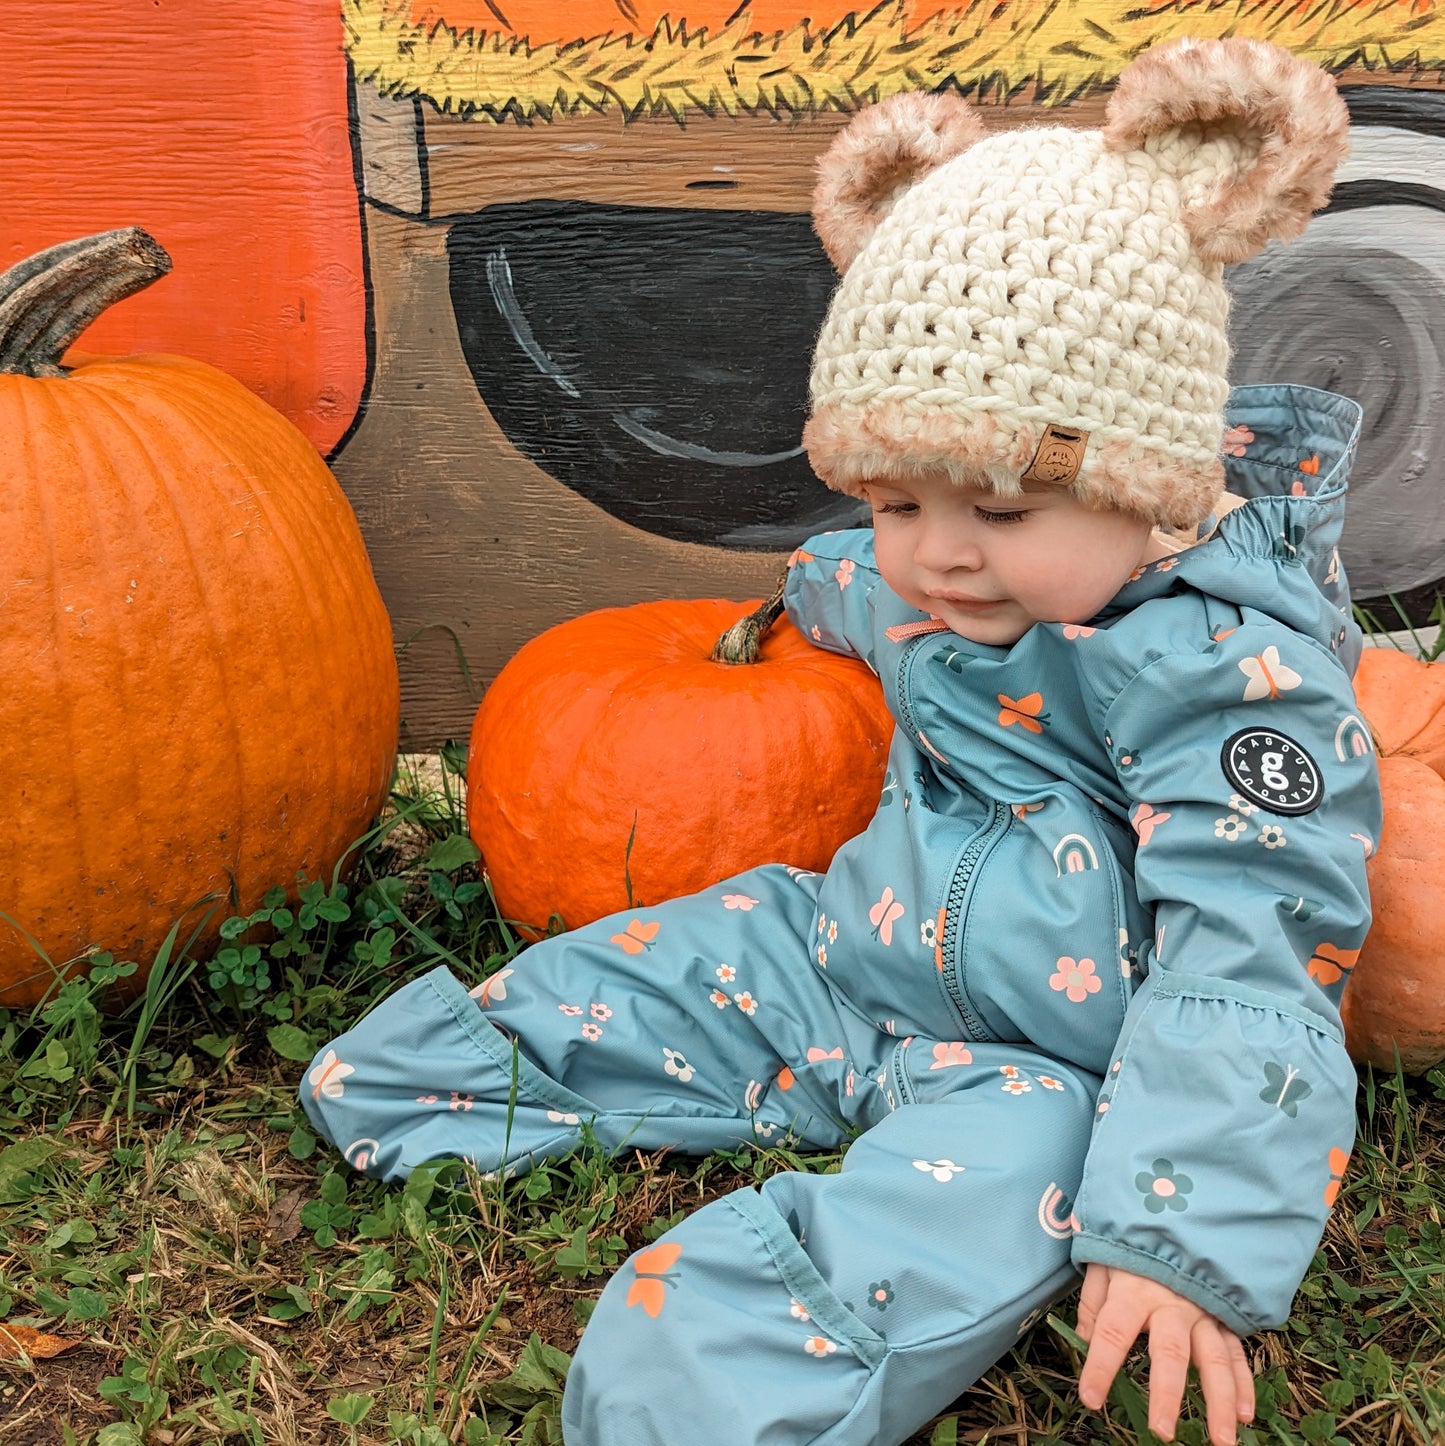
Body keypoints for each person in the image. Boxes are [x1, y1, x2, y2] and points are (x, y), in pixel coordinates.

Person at [301, 35, 1381, 1446]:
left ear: (1149, 477)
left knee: (939, 1220)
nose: (939, 558)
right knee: (638, 981)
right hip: (841, 953)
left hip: (1060, 1072)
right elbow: (849, 580)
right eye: (892, 499)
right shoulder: (917, 580)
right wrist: (810, 583)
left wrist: (1179, 1229)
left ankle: (699, 1390)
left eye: (996, 511)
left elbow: (1253, 947)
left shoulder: (1229, 680)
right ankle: (442, 1077)